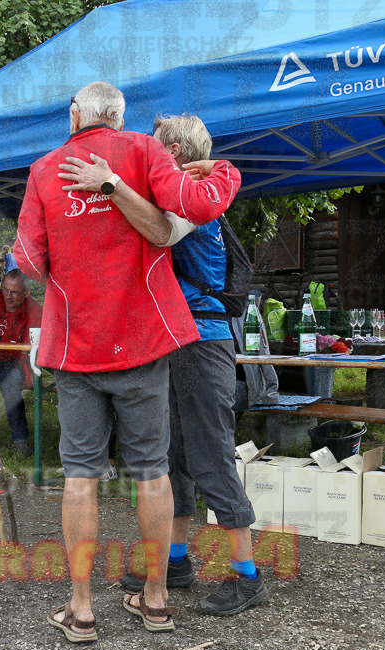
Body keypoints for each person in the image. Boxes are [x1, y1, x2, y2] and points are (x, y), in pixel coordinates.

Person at [16, 82, 240, 640]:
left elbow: (28, 261)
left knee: (81, 478)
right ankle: (158, 600)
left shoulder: (45, 169)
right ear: (118, 117)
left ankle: (82, 606)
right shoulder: (145, 150)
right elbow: (198, 204)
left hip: (76, 346)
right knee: (153, 472)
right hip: (143, 340)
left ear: (76, 114)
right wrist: (225, 169)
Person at [59, 114, 268, 617]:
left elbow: (155, 229)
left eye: (153, 147)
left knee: (210, 452)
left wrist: (110, 182)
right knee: (170, 455)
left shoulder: (190, 194)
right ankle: (174, 560)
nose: (143, 152)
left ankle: (248, 574)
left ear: (170, 150)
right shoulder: (180, 187)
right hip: (174, 341)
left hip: (202, 341)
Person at [0, 268, 42, 454]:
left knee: (11, 383)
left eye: (14, 292)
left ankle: (20, 439)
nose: (8, 296)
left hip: (14, 363)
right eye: (5, 290)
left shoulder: (34, 311)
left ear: (27, 292)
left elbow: (30, 349)